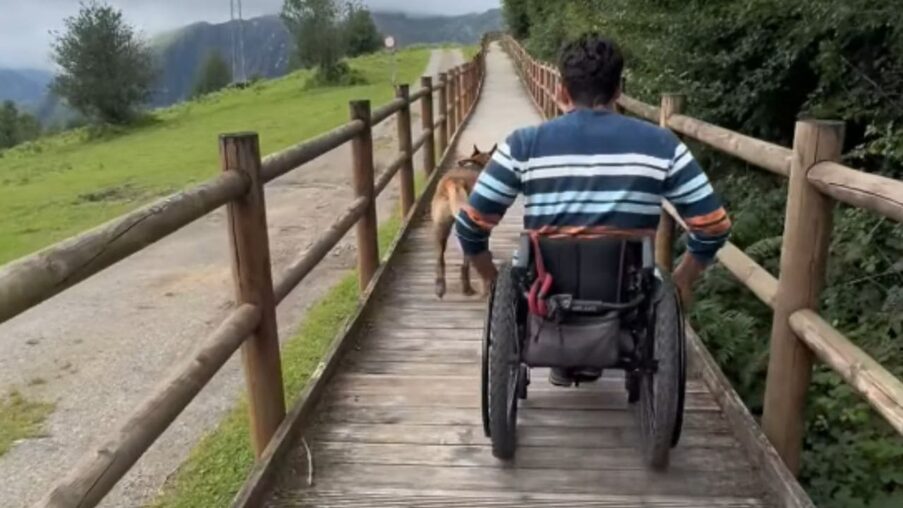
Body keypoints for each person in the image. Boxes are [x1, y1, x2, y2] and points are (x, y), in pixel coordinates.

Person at [454, 33, 731, 387]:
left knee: (521, 264)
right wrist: (681, 283)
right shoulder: (662, 144)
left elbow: (469, 226)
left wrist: (493, 284)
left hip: (548, 287)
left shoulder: (523, 144)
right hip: (627, 290)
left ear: (562, 92)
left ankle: (560, 349)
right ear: (618, 90)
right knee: (649, 273)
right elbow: (713, 225)